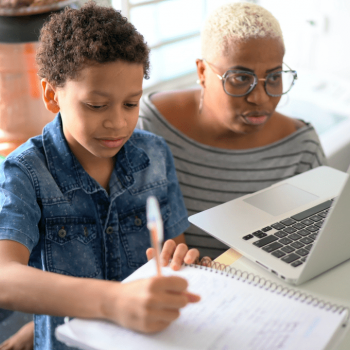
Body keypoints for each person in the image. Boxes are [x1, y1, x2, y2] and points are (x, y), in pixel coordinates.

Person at [0, 3, 203, 350]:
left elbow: (174, 247)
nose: (118, 123)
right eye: (96, 105)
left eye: (130, 103)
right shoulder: (24, 171)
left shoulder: (154, 154)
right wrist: (114, 300)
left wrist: (180, 262)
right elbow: (5, 278)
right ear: (52, 95)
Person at [138, 2, 327, 259]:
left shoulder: (302, 148)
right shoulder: (149, 126)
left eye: (273, 77)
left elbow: (320, 246)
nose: (260, 98)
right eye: (240, 78)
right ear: (202, 71)